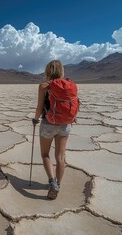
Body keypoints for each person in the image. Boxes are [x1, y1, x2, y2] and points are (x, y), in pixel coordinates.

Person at [32, 60, 72, 200]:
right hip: (65, 125)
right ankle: (58, 185)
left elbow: (39, 106)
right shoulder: (69, 85)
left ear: (48, 71)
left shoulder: (44, 86)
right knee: (61, 157)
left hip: (48, 124)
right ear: (61, 71)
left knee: (45, 154)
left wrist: (35, 119)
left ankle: (52, 182)